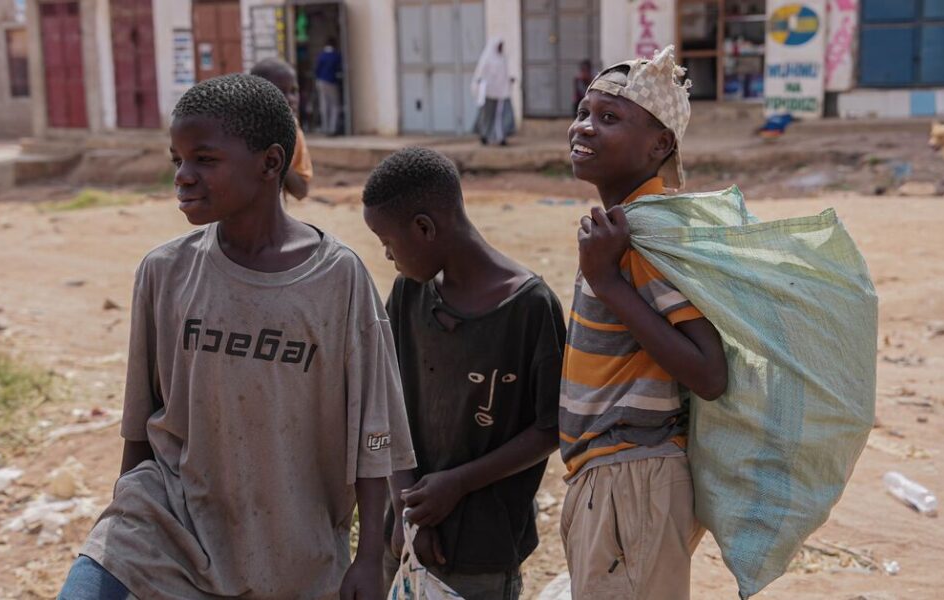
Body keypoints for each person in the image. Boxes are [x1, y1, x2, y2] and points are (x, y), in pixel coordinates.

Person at [56, 73, 415, 600]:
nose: (182, 176)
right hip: (163, 522)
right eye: (176, 159)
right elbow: (140, 423)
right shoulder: (164, 271)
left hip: (287, 549)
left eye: (204, 159)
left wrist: (367, 558)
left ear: (271, 164)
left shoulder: (337, 280)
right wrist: (117, 539)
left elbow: (375, 428)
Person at [559, 47, 729, 599]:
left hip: (631, 477)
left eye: (609, 119)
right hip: (610, 477)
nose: (584, 127)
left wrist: (607, 281)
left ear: (660, 146)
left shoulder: (646, 237)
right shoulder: (623, 228)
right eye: (584, 111)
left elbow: (708, 372)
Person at [361, 147, 565, 599]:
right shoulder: (409, 296)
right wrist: (408, 510)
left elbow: (551, 427)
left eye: (388, 244)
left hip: (483, 549)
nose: (389, 257)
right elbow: (387, 404)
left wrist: (458, 484)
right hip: (405, 532)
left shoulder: (530, 307)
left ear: (424, 228)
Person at [250, 58, 313, 200]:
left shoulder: (292, 131)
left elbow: (301, 191)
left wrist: (280, 155)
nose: (291, 99)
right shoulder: (234, 129)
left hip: (273, 218)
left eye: (294, 91)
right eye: (280, 91)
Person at [471, 38, 515, 146]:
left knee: (503, 116)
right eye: (499, 45)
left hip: (502, 93)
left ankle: (501, 138)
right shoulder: (487, 60)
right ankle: (485, 136)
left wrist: (509, 80)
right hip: (489, 93)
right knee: (487, 117)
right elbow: (480, 75)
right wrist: (479, 86)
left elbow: (504, 75)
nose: (501, 48)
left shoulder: (503, 59)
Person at [314, 38, 343, 136]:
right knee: (334, 106)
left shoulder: (321, 55)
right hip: (331, 81)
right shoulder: (336, 55)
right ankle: (332, 129)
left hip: (321, 81)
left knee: (324, 105)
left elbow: (317, 69)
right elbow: (339, 68)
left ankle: (325, 128)